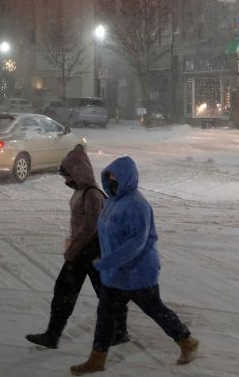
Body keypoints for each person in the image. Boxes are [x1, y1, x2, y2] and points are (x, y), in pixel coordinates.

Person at [70, 156, 198, 375]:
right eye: (108, 175)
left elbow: (136, 244)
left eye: (115, 176)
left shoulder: (137, 205)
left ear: (127, 178)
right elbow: (106, 232)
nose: (111, 180)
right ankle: (97, 360)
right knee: (105, 317)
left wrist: (106, 262)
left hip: (138, 273)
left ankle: (187, 342)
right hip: (114, 274)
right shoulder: (112, 201)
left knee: (156, 310)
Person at [25, 144, 128, 350]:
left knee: (97, 291)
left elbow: (90, 227)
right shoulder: (82, 191)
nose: (66, 181)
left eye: (67, 176)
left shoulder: (92, 194)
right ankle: (54, 335)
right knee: (74, 291)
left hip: (91, 251)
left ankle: (118, 332)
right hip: (85, 250)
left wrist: (73, 249)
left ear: (77, 172)